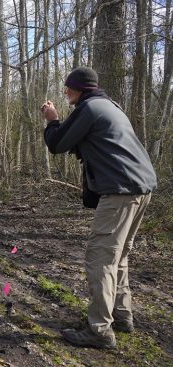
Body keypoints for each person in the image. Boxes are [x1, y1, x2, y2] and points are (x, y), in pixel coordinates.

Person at [41, 66, 157, 349]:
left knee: (100, 258)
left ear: (79, 88)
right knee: (119, 256)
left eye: (68, 87)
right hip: (141, 188)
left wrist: (52, 120)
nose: (65, 91)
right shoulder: (110, 105)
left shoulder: (89, 108)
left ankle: (100, 331)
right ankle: (122, 315)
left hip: (120, 192)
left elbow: (56, 143)